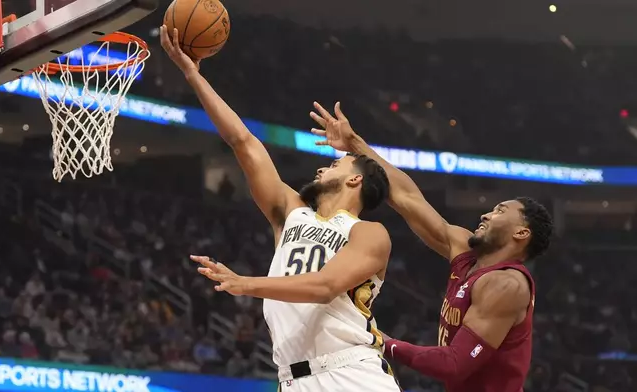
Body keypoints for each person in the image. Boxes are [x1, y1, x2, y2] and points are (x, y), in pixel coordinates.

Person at [160, 26, 401, 392]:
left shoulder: (369, 233)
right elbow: (243, 141)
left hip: (350, 374)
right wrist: (192, 74)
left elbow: (326, 286)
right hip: (292, 380)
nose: (322, 168)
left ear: (356, 182)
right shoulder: (291, 212)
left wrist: (246, 284)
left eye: (335, 165)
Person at [309, 102, 553, 392]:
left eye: (500, 211)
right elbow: (407, 197)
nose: (487, 214)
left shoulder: (507, 284)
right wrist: (356, 146)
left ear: (522, 232)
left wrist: (383, 342)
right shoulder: (465, 250)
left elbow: (454, 364)